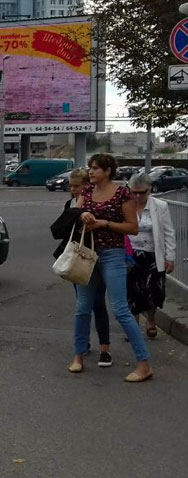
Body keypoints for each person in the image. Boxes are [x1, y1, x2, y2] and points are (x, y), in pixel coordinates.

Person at [69, 153, 152, 382]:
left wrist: (103, 223)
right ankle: (78, 356)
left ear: (107, 171)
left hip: (113, 255)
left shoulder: (122, 193)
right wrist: (83, 215)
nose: (91, 171)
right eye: (90, 167)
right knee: (82, 307)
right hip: (87, 254)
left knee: (120, 309)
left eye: (95, 168)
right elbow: (73, 217)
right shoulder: (86, 192)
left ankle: (144, 363)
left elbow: (132, 227)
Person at [51, 168, 112, 367]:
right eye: (71, 186)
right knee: (82, 304)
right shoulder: (70, 204)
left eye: (77, 186)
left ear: (87, 186)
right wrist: (75, 215)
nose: (73, 189)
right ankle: (83, 343)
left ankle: (105, 347)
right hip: (77, 257)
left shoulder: (96, 201)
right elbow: (59, 230)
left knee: (98, 302)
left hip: (95, 256)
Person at [125, 173, 177, 338]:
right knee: (132, 290)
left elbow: (169, 232)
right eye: (134, 192)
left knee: (154, 290)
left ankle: (151, 319)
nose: (138, 196)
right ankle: (134, 324)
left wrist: (170, 257)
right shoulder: (125, 205)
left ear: (149, 190)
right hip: (130, 255)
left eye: (142, 192)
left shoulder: (160, 206)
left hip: (153, 254)